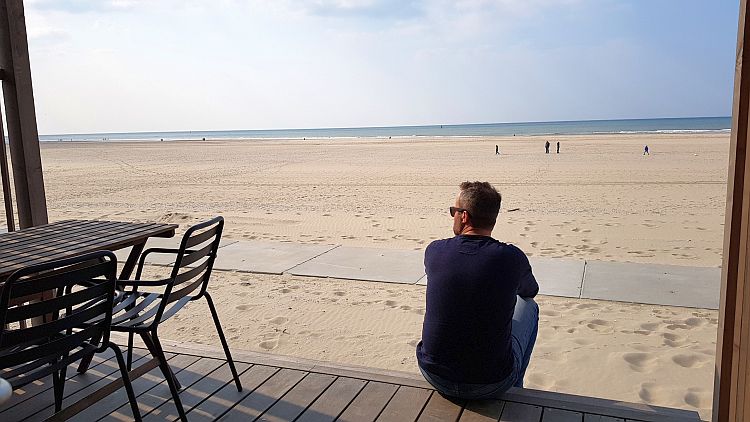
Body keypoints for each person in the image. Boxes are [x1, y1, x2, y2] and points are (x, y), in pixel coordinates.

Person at [416, 181, 539, 400]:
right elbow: (530, 291)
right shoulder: (511, 257)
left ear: (464, 216)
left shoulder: (435, 251)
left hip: (435, 374)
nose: (452, 215)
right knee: (530, 306)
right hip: (492, 383)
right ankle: (515, 390)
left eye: (453, 211)